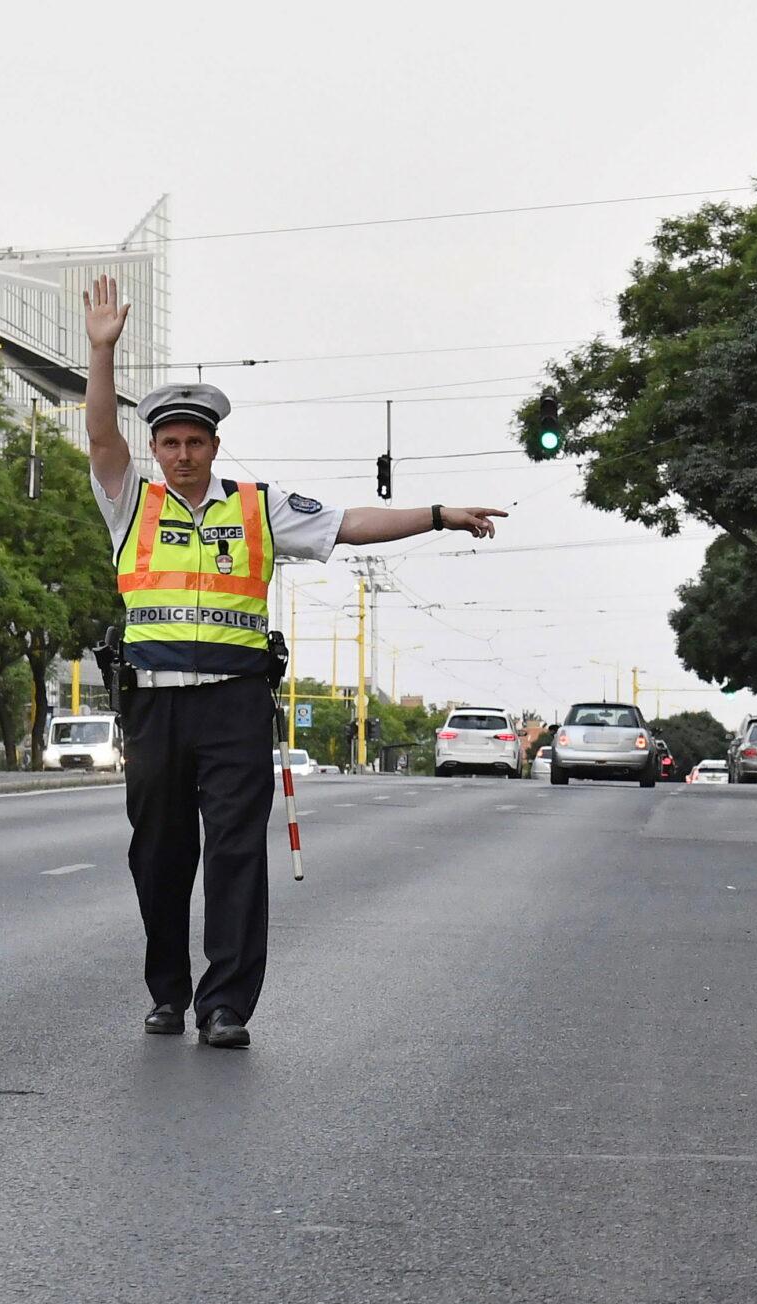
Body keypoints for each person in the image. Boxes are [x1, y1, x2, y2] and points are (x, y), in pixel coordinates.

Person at [83, 276, 505, 1048]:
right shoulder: (129, 499)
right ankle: (168, 991)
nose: (182, 455)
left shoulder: (258, 504)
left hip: (234, 705)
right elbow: (100, 435)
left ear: (215, 445)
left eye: (195, 442)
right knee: (160, 855)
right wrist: (101, 352)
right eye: (169, 443)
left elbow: (350, 523)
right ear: (155, 449)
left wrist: (438, 515)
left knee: (238, 852)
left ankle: (225, 1006)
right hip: (154, 705)